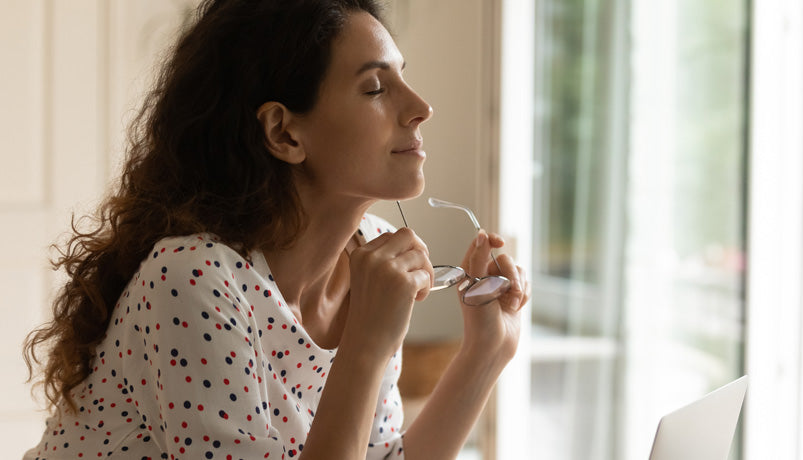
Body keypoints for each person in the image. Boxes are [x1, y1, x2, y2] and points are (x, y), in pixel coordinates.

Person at [22, 0, 529, 459]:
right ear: (284, 132)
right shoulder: (192, 279)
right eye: (375, 88)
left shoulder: (370, 257)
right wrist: (365, 344)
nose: (421, 108)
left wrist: (486, 353)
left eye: (403, 77)